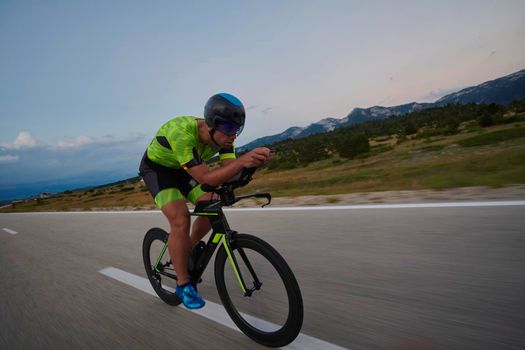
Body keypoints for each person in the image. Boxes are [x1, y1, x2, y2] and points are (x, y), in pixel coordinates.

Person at [139, 93, 271, 309]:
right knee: (181, 219)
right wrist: (241, 162)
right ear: (212, 125)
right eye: (229, 129)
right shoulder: (181, 132)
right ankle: (183, 285)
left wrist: (252, 164)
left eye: (237, 129)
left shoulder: (225, 139)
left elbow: (228, 172)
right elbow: (206, 177)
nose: (233, 135)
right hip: (159, 170)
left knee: (213, 202)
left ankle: (186, 249)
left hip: (185, 169)